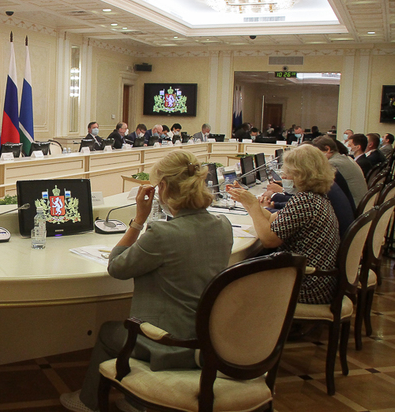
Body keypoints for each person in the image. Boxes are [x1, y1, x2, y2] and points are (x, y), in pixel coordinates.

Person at [60, 150, 232, 412]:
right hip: (209, 341)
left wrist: (139, 220)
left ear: (162, 187)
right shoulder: (223, 225)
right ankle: (133, 399)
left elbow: (116, 267)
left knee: (108, 332)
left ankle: (89, 402)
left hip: (168, 343)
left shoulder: (162, 234)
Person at [229, 145, 339, 304]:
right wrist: (246, 200)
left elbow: (268, 240)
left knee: (230, 284)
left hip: (305, 286)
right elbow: (272, 218)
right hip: (316, 280)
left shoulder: (305, 201)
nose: (283, 176)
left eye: (287, 172)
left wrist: (253, 205)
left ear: (301, 174)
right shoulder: (315, 198)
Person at [312, 135, 367, 208]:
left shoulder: (333, 163)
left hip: (354, 206)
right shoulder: (345, 158)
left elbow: (323, 188)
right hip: (361, 204)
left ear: (327, 149)